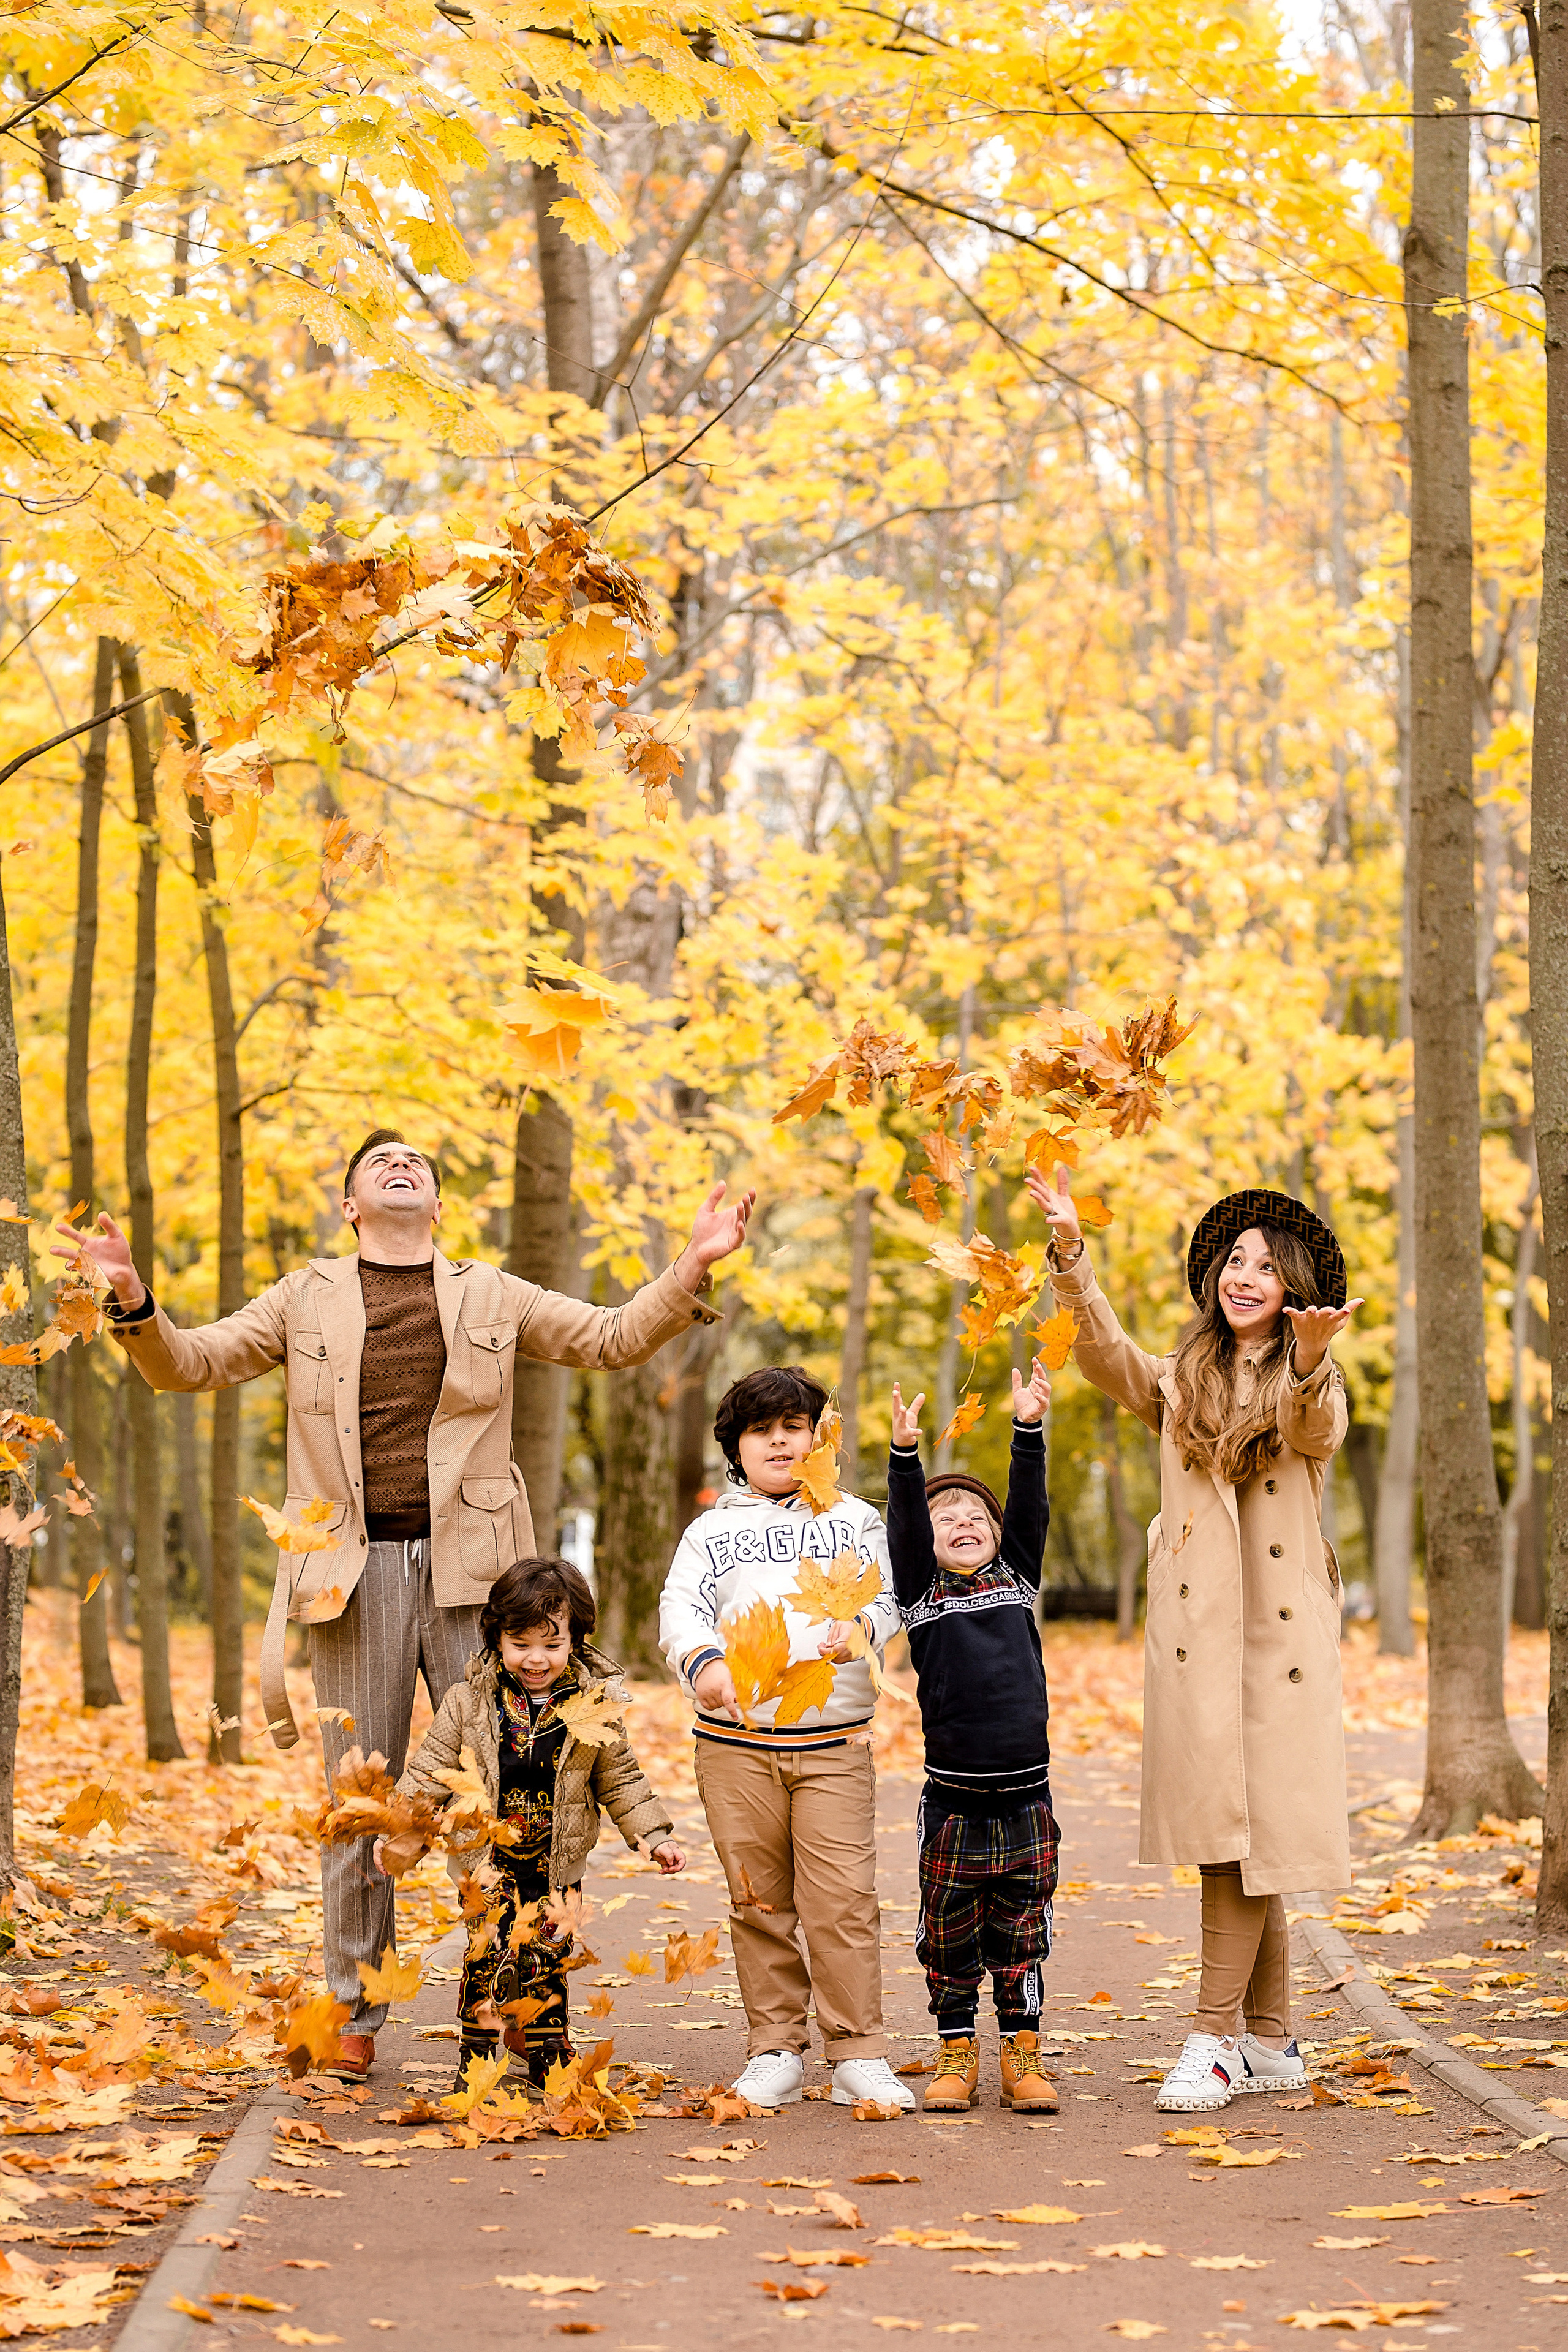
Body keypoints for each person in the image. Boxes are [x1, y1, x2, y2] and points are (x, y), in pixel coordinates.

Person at [62, 1129, 751, 2081]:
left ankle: (520, 1988)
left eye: (419, 1164)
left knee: (515, 1792)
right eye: (380, 1163)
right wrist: (132, 1299)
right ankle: (352, 2006)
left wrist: (688, 1267)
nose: (402, 1166)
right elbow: (190, 1363)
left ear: (437, 1204)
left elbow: (610, 1337)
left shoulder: (492, 1292)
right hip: (351, 1574)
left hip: (482, 1581)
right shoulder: (302, 1296)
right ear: (351, 1205)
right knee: (364, 1799)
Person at [1027, 1165, 1359, 2113]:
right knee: (1239, 1834)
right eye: (1234, 1259)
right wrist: (1071, 1254)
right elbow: (1104, 1354)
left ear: (1296, 1288)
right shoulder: (1182, 1380)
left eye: (1267, 1264)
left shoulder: (1313, 1376)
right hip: (1199, 1633)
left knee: (1245, 1835)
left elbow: (1315, 1427)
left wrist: (1308, 1359)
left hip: (1279, 1641)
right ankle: (1274, 2041)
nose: (1244, 1274)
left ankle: (1211, 2041)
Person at [658, 1365, 912, 2114]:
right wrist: (699, 1661)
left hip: (833, 1741)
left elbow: (893, 1595)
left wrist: (862, 1626)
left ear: (816, 1438)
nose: (778, 1441)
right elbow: (680, 1607)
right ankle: (774, 2048)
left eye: (793, 1428)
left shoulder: (855, 1519)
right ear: (736, 1447)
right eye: (761, 1430)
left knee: (841, 1900)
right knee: (759, 1901)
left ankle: (857, 2051)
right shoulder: (709, 1530)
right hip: (734, 1743)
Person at [385, 1555, 684, 2089]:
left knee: (547, 1954)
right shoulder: (468, 1701)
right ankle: (476, 2052)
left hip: (556, 1863)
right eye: (521, 1645)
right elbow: (431, 1768)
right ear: (497, 1638)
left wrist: (653, 1836)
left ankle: (547, 2048)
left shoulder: (595, 1704)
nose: (537, 1659)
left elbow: (619, 1776)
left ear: (577, 1640)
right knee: (486, 1953)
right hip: (486, 1861)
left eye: (552, 1644)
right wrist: (402, 1827)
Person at [885, 1350, 1060, 2114]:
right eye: (943, 1517)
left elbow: (1028, 1510)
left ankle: (1021, 2047)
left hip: (1026, 1801)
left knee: (1021, 1932)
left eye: (973, 1516)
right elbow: (903, 1525)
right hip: (953, 1803)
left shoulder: (1016, 1579)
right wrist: (904, 1458)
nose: (961, 1522)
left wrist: (1027, 1432)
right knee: (950, 1934)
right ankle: (956, 2047)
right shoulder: (921, 1595)